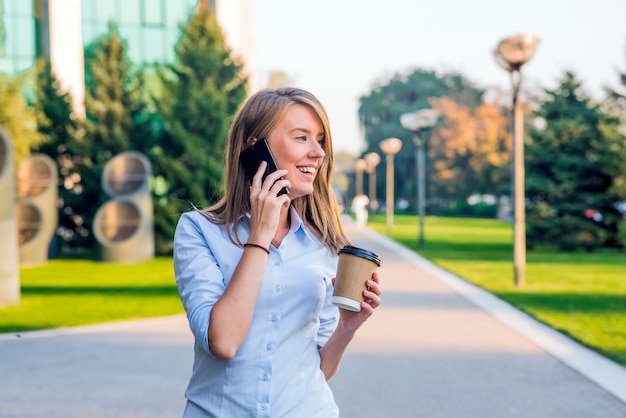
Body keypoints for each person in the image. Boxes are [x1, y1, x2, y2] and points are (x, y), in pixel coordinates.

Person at [173, 87, 382, 417]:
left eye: (320, 140)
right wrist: (260, 236)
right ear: (255, 148)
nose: (319, 153)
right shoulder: (198, 231)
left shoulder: (325, 243)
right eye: (302, 138)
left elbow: (319, 369)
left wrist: (346, 328)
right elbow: (223, 343)